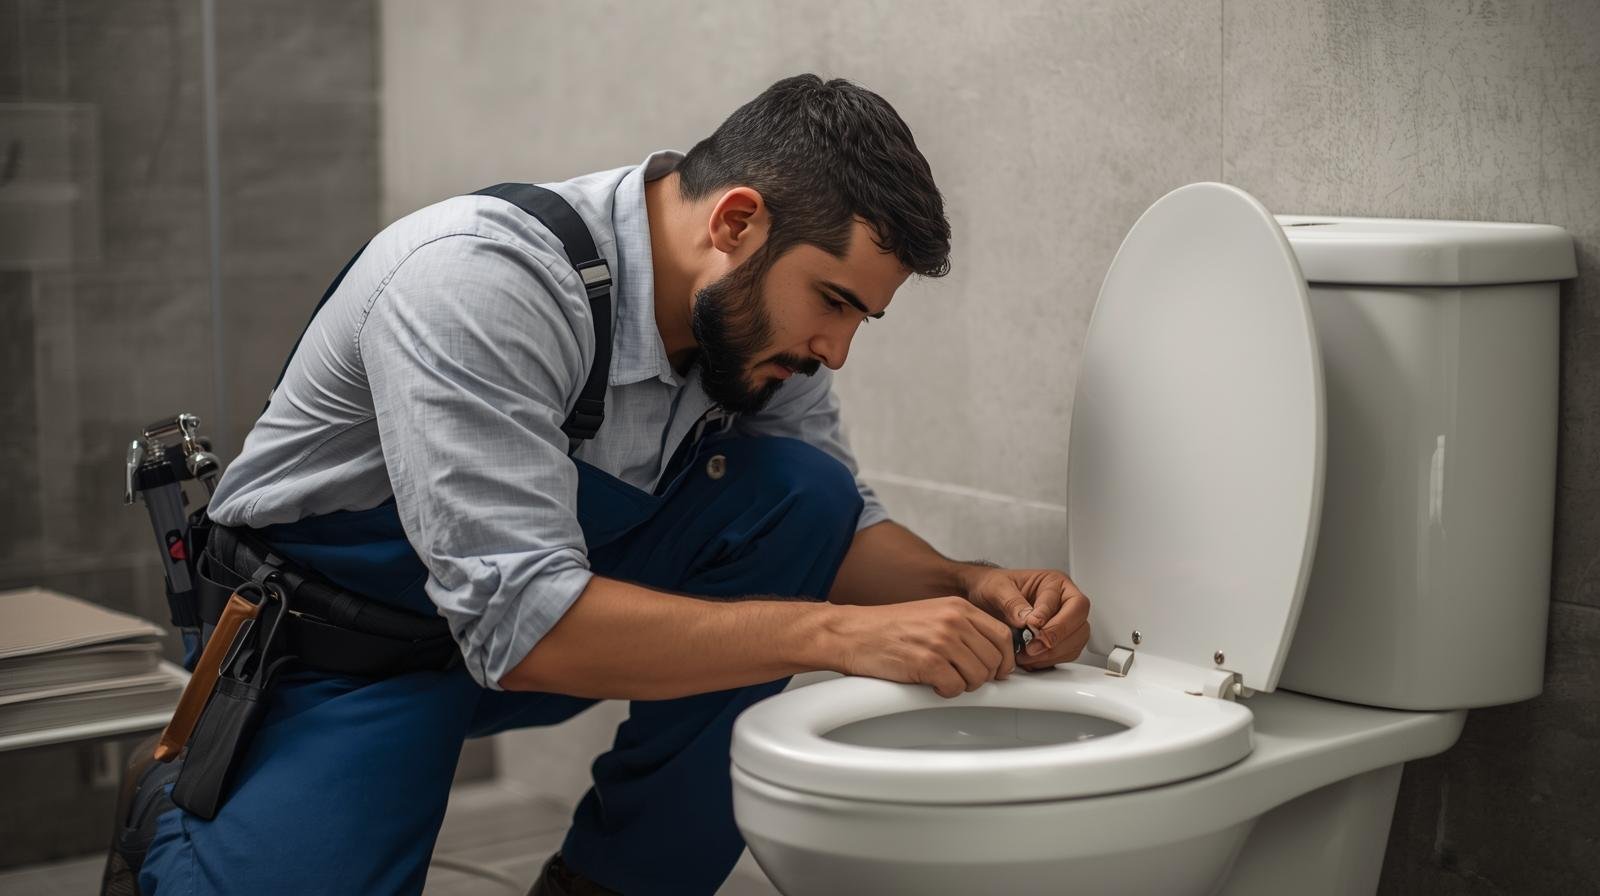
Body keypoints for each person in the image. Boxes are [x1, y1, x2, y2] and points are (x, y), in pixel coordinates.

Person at [138, 74, 1091, 896]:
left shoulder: (750, 334)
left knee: (802, 495)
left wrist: (968, 584)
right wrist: (841, 636)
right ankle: (173, 817)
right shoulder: (479, 281)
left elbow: (833, 530)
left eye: (861, 321)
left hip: (510, 637)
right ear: (736, 222)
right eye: (833, 301)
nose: (835, 348)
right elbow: (523, 627)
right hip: (336, 658)